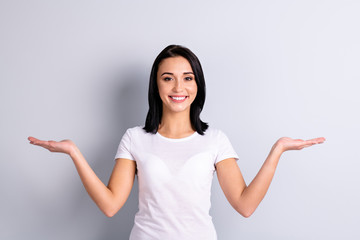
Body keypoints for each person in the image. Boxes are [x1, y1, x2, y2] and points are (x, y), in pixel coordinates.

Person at [28, 45, 325, 240]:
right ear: (156, 86)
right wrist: (74, 153)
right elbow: (110, 205)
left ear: (198, 84)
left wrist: (278, 151)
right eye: (168, 78)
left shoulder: (215, 140)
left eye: (188, 78)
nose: (179, 87)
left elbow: (245, 205)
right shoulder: (135, 138)